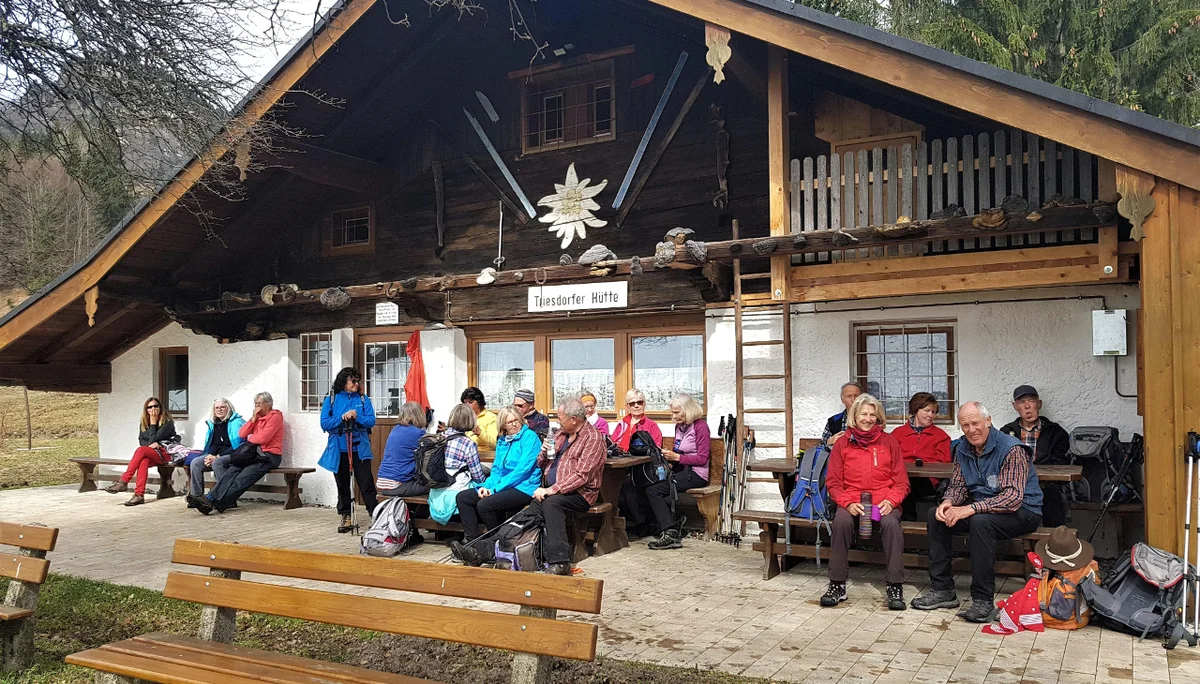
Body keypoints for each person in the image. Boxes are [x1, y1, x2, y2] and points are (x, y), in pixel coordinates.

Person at [910, 402, 1043, 622]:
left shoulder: (1012, 449)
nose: (971, 430)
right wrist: (949, 502)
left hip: (1024, 511)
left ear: (988, 421)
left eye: (975, 423)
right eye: (965, 425)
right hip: (983, 509)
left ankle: (982, 600)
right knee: (937, 516)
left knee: (980, 522)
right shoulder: (963, 447)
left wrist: (969, 509)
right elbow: (959, 485)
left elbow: (1012, 498)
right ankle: (943, 590)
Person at [450, 398, 606, 576]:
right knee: (521, 519)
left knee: (551, 504)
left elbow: (581, 476)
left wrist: (550, 490)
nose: (558, 422)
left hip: (579, 493)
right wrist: (544, 452)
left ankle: (560, 562)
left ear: (574, 419)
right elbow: (539, 463)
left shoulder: (592, 438)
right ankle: (480, 551)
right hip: (549, 491)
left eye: (561, 418)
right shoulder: (561, 434)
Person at [822, 393, 910, 609]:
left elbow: (901, 482)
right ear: (855, 416)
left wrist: (891, 500)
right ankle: (837, 584)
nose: (868, 419)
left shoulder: (889, 442)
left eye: (872, 414)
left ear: (878, 417)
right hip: (853, 500)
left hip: (882, 502)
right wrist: (847, 502)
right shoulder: (842, 444)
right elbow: (833, 482)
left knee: (891, 525)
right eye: (864, 414)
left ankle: (895, 586)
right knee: (841, 522)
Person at [456, 405, 542, 540]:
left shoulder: (530, 437)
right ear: (503, 425)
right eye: (510, 422)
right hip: (503, 484)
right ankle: (472, 541)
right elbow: (496, 469)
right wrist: (486, 487)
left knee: (485, 504)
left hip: (524, 486)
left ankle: (497, 543)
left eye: (516, 420)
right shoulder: (503, 440)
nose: (514, 424)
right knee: (463, 497)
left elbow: (522, 470)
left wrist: (496, 489)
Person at [191, 392, 285, 515]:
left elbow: (263, 439)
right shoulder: (256, 417)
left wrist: (252, 438)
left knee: (242, 478)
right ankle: (209, 499)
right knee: (232, 471)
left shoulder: (275, 417)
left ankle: (215, 504)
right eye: (255, 403)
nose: (257, 406)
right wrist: (253, 419)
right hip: (254, 454)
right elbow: (242, 433)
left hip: (268, 456)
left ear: (269, 404)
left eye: (260, 403)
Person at [643, 394, 712, 550]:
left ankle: (670, 532)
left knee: (654, 491)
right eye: (672, 413)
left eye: (677, 412)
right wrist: (669, 457)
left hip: (696, 474)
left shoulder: (700, 426)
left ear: (687, 410)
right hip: (681, 471)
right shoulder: (679, 427)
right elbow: (678, 449)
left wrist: (677, 457)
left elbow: (702, 458)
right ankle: (669, 523)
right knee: (647, 483)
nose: (674, 416)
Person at [1000, 385, 1071, 527]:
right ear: (1015, 406)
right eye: (1021, 402)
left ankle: (1054, 544)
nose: (1027, 406)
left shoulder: (1055, 432)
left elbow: (1061, 464)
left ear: (1039, 404)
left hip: (1046, 486)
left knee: (1053, 497)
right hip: (1014, 487)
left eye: (1031, 401)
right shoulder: (1006, 432)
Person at [318, 367, 379, 533]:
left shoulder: (363, 398)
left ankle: (375, 514)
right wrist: (342, 417)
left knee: (366, 482)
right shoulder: (331, 399)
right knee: (342, 483)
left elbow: (371, 421)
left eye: (358, 381)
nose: (357, 384)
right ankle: (346, 515)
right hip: (339, 448)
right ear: (344, 381)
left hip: (360, 448)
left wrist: (356, 416)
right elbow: (324, 423)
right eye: (353, 381)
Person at [105, 397, 178, 506]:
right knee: (143, 461)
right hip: (152, 453)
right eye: (150, 407)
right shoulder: (144, 423)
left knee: (140, 451)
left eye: (155, 406)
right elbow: (142, 440)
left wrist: (153, 423)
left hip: (165, 453)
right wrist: (150, 445)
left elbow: (154, 439)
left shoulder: (167, 422)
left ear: (160, 408)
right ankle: (139, 495)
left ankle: (124, 481)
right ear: (146, 410)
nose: (153, 409)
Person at [890, 392, 952, 521]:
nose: (931, 415)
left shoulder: (941, 436)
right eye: (927, 410)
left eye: (933, 412)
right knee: (903, 480)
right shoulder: (898, 433)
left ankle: (908, 518)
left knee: (908, 482)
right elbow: (889, 458)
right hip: (899, 478)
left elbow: (943, 462)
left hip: (926, 481)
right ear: (916, 410)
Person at [427, 404, 488, 526]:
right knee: (482, 485)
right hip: (456, 492)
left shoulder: (438, 438)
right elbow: (477, 476)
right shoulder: (468, 443)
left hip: (435, 493)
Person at [185, 398, 245, 505]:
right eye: (216, 407)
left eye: (222, 407)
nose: (219, 410)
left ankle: (227, 499)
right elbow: (214, 444)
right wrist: (210, 455)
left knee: (218, 462)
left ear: (229, 408)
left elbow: (237, 445)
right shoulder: (214, 423)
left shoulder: (236, 423)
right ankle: (197, 497)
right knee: (196, 463)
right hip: (218, 455)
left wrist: (217, 456)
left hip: (235, 454)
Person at [376, 401, 430, 497]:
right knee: (434, 486)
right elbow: (432, 450)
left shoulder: (395, 429)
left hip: (382, 482)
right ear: (419, 415)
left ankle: (412, 511)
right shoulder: (418, 433)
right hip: (397, 485)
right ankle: (419, 512)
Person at [822, 382, 864, 447]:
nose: (853, 400)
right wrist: (829, 441)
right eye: (849, 396)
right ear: (842, 399)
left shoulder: (869, 419)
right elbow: (822, 446)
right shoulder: (833, 421)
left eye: (856, 396)